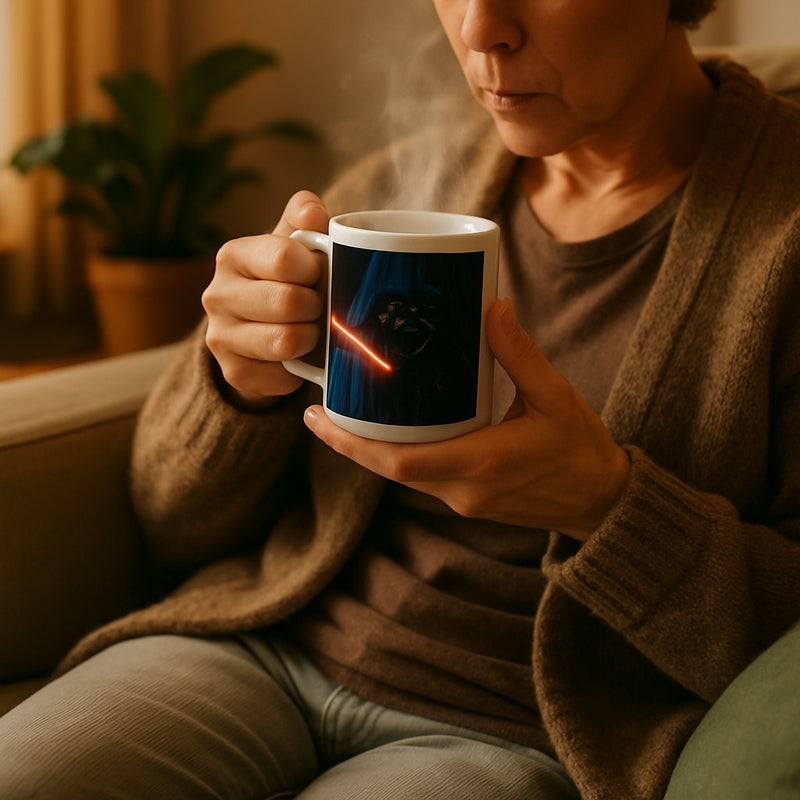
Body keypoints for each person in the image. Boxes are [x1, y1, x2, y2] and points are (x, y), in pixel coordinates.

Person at [2, 0, 799, 798]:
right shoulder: (401, 189)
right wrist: (237, 390)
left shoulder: (782, 229)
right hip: (263, 645)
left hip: (507, 730)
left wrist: (608, 505)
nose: (480, 28)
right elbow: (169, 522)